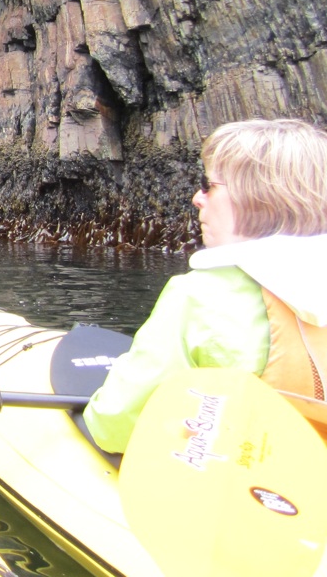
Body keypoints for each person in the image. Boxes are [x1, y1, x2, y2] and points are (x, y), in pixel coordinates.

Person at [83, 117, 327, 453]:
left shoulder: (199, 297)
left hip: (243, 481)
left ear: (256, 197)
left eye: (208, 185)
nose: (198, 198)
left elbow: (114, 424)